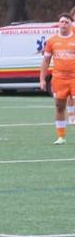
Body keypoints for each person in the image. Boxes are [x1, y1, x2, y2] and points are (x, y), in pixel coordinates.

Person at [40, 12, 75, 145]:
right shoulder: (52, 41)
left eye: (66, 22)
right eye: (62, 22)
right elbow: (45, 61)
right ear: (58, 24)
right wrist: (42, 79)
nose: (64, 25)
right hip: (59, 79)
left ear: (71, 25)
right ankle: (61, 136)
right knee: (59, 107)